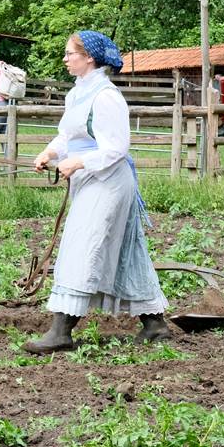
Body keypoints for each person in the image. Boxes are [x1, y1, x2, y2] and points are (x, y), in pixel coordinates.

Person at [24, 30, 170, 353]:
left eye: (69, 53)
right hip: (89, 178)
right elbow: (68, 135)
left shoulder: (107, 96)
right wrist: (49, 153)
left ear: (88, 57)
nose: (64, 59)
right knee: (127, 252)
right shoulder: (76, 94)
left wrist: (77, 162)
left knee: (80, 245)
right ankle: (156, 325)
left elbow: (117, 148)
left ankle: (61, 331)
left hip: (110, 181)